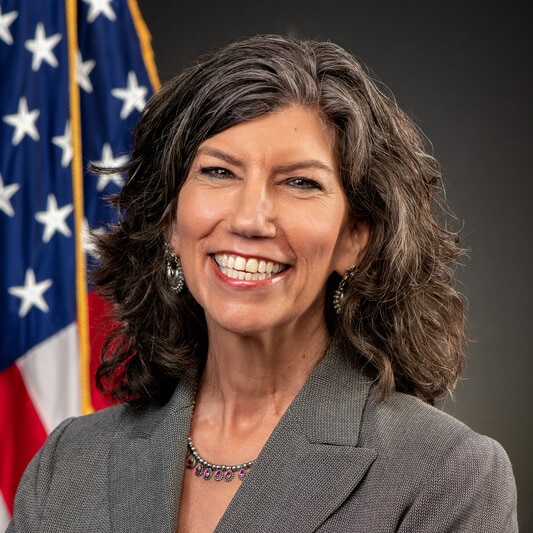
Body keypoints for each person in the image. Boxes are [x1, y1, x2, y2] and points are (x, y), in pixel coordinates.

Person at [8, 35, 517, 532]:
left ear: (355, 237)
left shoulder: (446, 475)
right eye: (219, 172)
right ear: (169, 219)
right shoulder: (69, 464)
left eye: (300, 182)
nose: (251, 219)